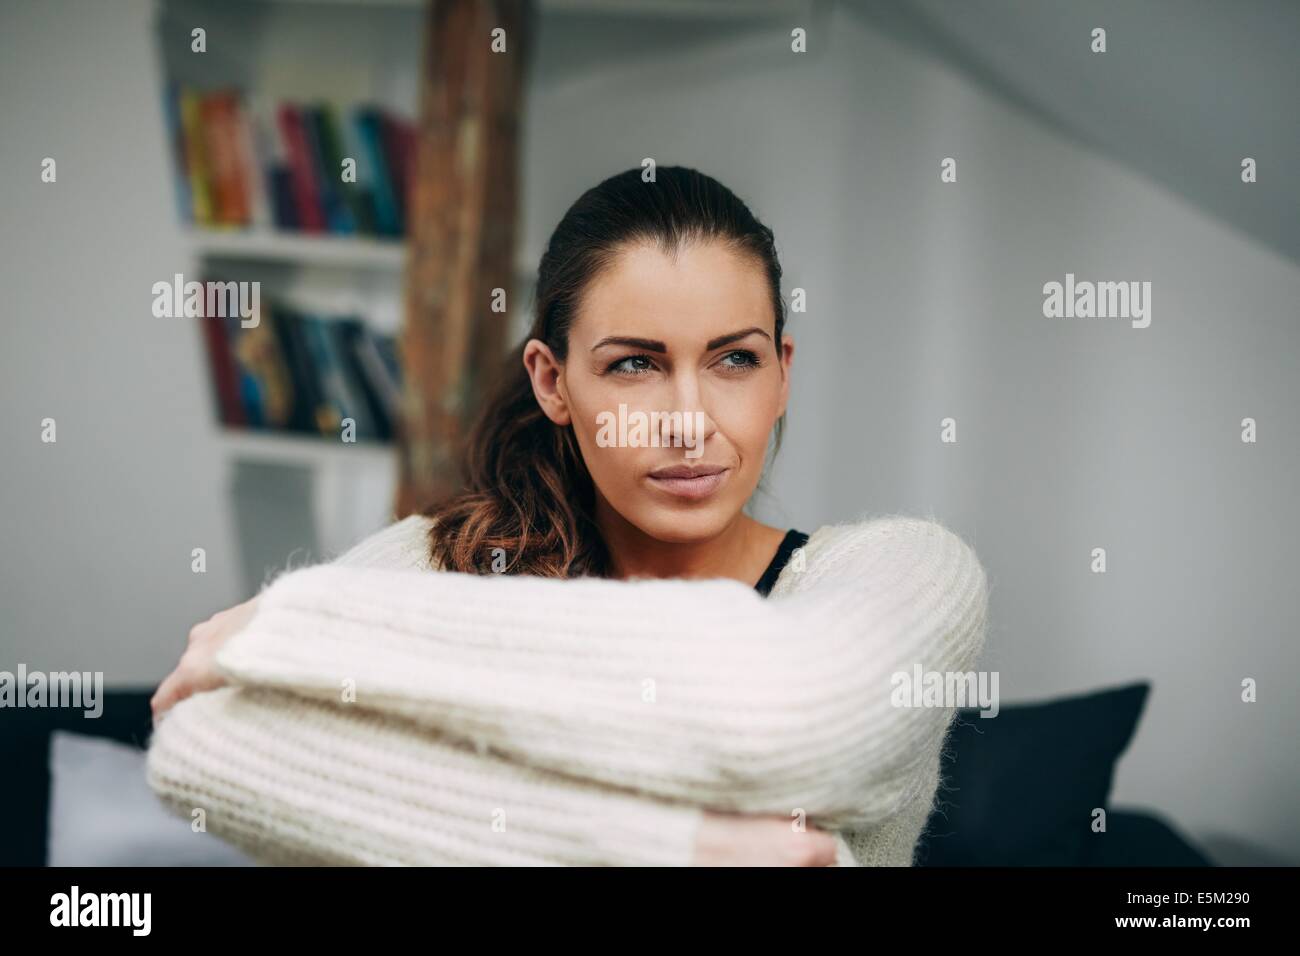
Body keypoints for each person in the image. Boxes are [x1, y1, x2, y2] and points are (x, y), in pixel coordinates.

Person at [148, 166, 989, 866]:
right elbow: (202, 750)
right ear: (553, 382)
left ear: (782, 374)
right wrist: (680, 847)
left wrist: (301, 623)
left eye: (736, 358)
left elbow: (793, 715)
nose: (690, 419)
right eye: (634, 365)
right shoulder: (449, 561)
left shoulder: (912, 572)